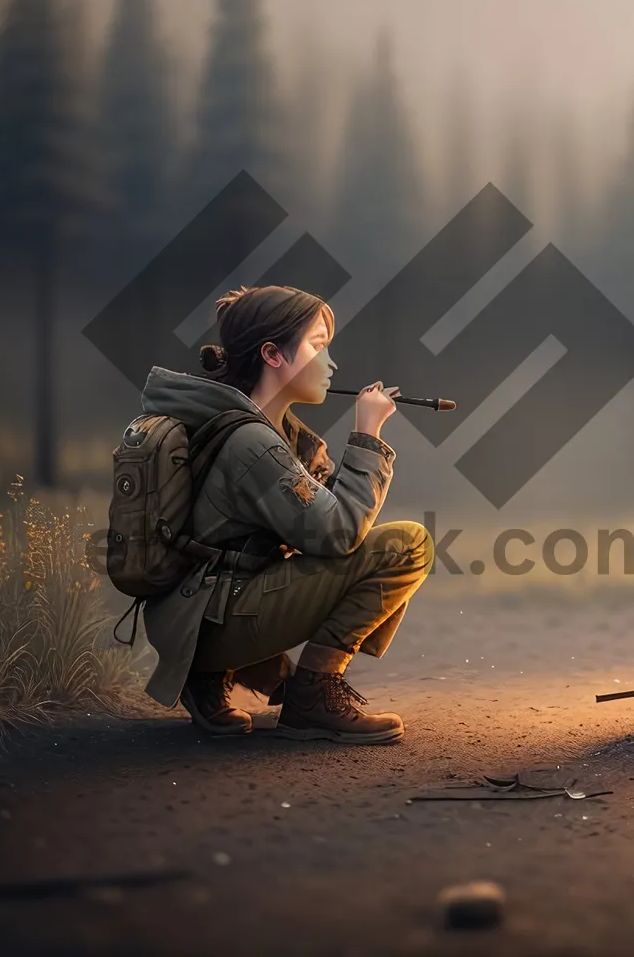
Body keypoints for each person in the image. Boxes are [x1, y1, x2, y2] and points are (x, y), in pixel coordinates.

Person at [138, 284, 434, 744]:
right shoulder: (252, 443)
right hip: (215, 619)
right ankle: (313, 694)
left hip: (198, 614)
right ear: (273, 354)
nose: (331, 362)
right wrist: (369, 435)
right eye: (318, 345)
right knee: (407, 545)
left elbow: (315, 525)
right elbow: (339, 534)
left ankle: (210, 675)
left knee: (375, 546)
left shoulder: (264, 429)